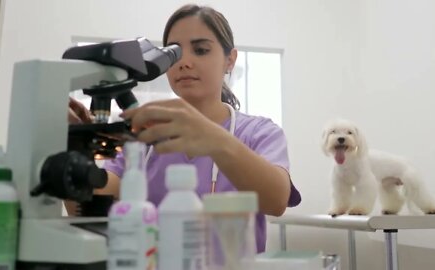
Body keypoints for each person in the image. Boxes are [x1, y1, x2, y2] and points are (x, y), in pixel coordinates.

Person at [71, 4, 301, 253]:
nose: (185, 62)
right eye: (175, 53)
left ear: (230, 60)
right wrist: (72, 148)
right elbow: (87, 207)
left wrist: (213, 138)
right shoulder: (144, 136)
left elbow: (276, 200)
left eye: (201, 50)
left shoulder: (257, 133)